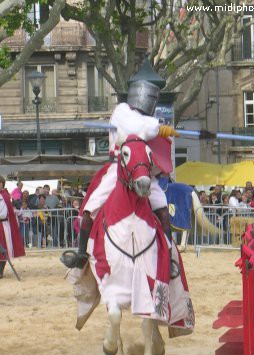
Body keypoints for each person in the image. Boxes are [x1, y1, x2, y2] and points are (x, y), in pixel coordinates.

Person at [62, 79, 178, 269]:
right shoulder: (122, 112)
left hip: (142, 172)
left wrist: (165, 133)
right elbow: (138, 129)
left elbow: (152, 145)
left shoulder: (147, 121)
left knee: (163, 210)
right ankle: (82, 255)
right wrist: (160, 128)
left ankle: (169, 256)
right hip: (118, 170)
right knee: (91, 209)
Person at [0, 176, 25, 278]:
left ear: (2, 184)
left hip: (2, 225)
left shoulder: (4, 196)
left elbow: (2, 214)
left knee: (3, 249)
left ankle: (0, 271)